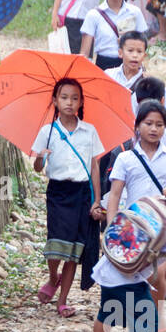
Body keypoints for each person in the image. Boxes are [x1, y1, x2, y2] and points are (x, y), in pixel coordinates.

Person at [89, 100, 166, 332]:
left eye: (159, 124)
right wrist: (111, 228)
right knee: (148, 317)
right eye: (148, 123)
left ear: (165, 128)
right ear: (137, 126)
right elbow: (116, 195)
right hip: (130, 233)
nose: (154, 129)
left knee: (109, 306)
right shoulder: (125, 158)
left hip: (159, 236)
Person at [31, 78, 103, 316]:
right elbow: (37, 168)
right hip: (58, 193)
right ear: (54, 101)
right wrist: (41, 157)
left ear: (81, 102)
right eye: (64, 97)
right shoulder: (47, 131)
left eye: (74, 98)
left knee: (74, 248)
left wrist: (97, 200)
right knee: (55, 244)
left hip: (81, 194)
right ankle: (54, 277)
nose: (69, 102)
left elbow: (94, 167)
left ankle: (62, 300)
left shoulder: (89, 131)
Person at [80, 0, 147, 68]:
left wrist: (128, 41)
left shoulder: (135, 12)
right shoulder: (93, 15)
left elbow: (142, 44)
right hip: (103, 67)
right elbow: (84, 53)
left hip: (129, 67)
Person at [106, 32, 148, 100]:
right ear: (120, 53)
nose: (135, 55)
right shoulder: (109, 75)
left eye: (139, 51)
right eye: (130, 50)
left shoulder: (147, 82)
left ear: (144, 56)